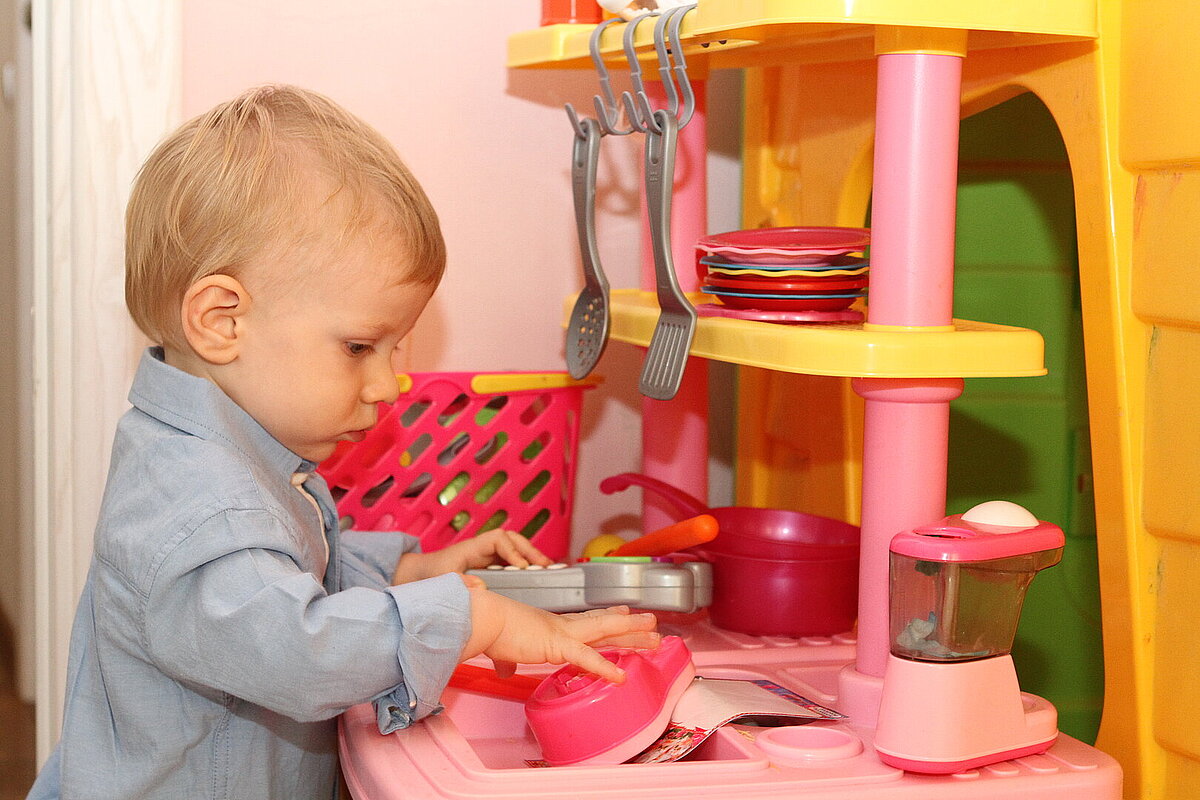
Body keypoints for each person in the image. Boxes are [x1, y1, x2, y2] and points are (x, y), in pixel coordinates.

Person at [28, 84, 659, 800]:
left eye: (394, 350)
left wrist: (413, 569)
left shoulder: (228, 457)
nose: (388, 385)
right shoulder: (201, 505)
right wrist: (469, 621)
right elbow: (296, 649)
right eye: (360, 347)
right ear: (221, 320)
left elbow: (293, 568)